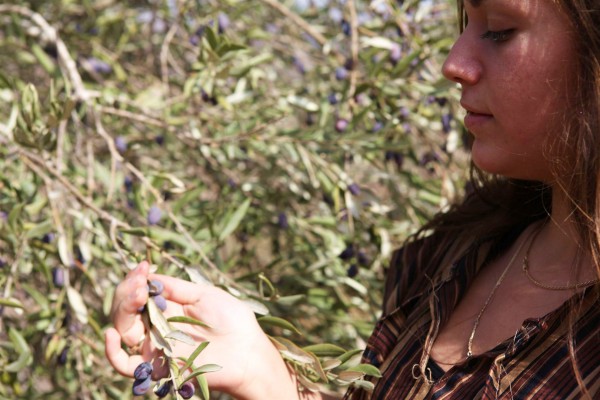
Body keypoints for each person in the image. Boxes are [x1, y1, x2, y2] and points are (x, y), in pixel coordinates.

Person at [105, 0, 600, 398]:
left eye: (499, 29)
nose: (455, 63)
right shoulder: (444, 259)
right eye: (467, 22)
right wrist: (261, 371)